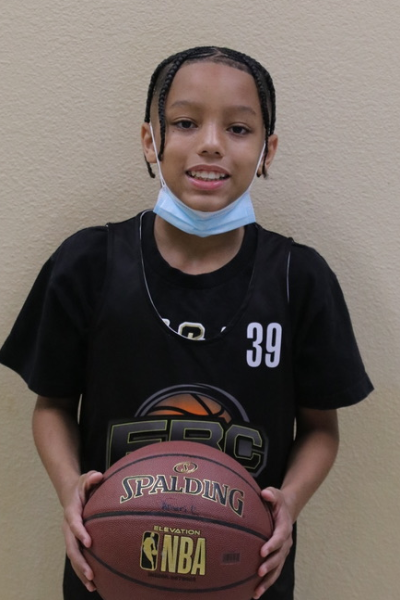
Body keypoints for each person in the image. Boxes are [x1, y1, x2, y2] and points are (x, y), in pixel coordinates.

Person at [0, 46, 373, 600]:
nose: (212, 143)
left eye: (239, 128)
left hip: (245, 571)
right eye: (185, 123)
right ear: (150, 140)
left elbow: (320, 429)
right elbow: (52, 406)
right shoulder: (88, 264)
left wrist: (289, 502)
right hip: (108, 568)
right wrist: (69, 487)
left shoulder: (300, 278)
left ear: (267, 151)